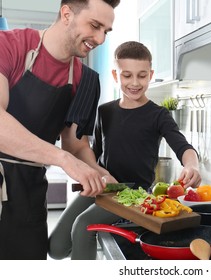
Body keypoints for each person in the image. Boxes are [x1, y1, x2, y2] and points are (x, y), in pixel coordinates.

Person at [48, 41, 201, 260]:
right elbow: (95, 153)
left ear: (150, 75)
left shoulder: (159, 115)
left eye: (142, 75)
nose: (135, 83)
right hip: (102, 186)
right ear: (115, 74)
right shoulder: (104, 111)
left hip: (133, 195)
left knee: (83, 227)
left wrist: (192, 165)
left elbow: (183, 147)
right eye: (127, 75)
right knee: (56, 248)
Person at [0, 0, 121, 260]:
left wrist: (97, 173)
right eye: (95, 25)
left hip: (31, 195)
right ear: (66, 14)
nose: (100, 38)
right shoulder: (9, 46)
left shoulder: (86, 81)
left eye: (106, 31)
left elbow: (75, 145)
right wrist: (62, 159)